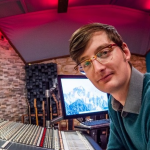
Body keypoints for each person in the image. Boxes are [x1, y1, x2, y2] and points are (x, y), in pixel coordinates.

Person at [69, 23, 150, 150]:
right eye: (86, 63)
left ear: (125, 52)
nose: (98, 68)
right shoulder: (114, 104)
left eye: (104, 53)